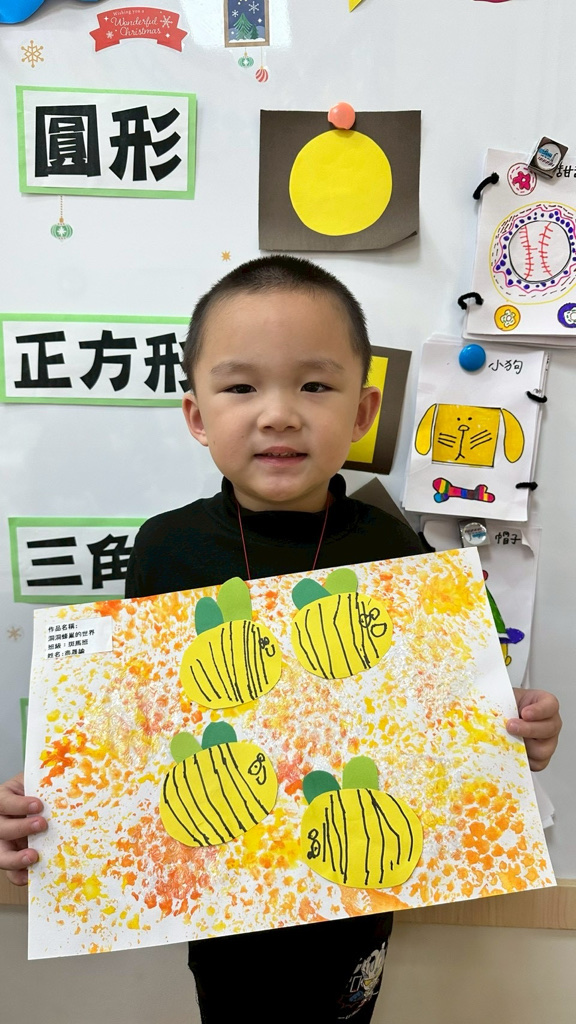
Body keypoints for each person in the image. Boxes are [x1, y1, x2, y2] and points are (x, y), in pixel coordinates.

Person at [0, 256, 562, 1021]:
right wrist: (53, 802)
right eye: (241, 387)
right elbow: (132, 732)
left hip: (359, 891)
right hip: (221, 905)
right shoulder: (165, 550)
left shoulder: (399, 557)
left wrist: (518, 733)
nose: (278, 414)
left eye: (315, 386)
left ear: (363, 412)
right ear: (197, 415)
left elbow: (448, 721)